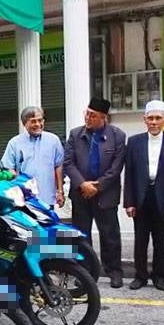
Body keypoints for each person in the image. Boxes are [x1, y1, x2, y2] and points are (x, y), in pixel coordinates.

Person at [63, 96, 127, 288]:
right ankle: (85, 273)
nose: (88, 118)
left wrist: (97, 186)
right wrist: (83, 184)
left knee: (110, 235)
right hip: (81, 194)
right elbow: (68, 163)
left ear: (103, 118)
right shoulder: (75, 134)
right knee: (81, 236)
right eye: (87, 113)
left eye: (93, 116)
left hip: (105, 194)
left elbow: (116, 168)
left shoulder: (117, 136)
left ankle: (114, 271)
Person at [123, 100, 164, 291]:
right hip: (141, 196)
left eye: (158, 118)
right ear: (144, 119)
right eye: (150, 118)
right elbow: (129, 173)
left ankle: (159, 276)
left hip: (163, 198)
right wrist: (129, 202)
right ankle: (140, 276)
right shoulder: (134, 142)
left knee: (160, 239)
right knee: (140, 240)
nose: (154, 122)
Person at [0, 106, 65, 207]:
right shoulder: (15, 143)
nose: (38, 124)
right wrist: (13, 175)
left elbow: (58, 166)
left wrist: (60, 192)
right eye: (33, 121)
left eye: (40, 120)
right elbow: (7, 168)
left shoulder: (53, 140)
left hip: (47, 199)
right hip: (24, 201)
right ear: (24, 123)